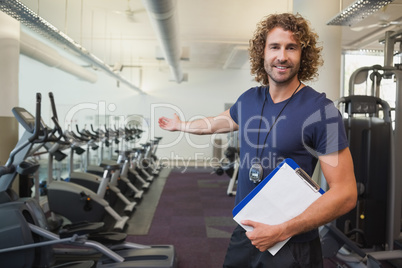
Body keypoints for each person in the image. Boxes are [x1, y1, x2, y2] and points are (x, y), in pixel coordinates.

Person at [158, 13, 357, 268]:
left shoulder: (322, 111)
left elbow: (346, 193)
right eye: (274, 47)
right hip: (247, 234)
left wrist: (284, 229)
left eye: (291, 48)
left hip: (292, 243)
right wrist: (181, 125)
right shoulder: (250, 99)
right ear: (262, 52)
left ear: (302, 55)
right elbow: (214, 123)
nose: (282, 56)